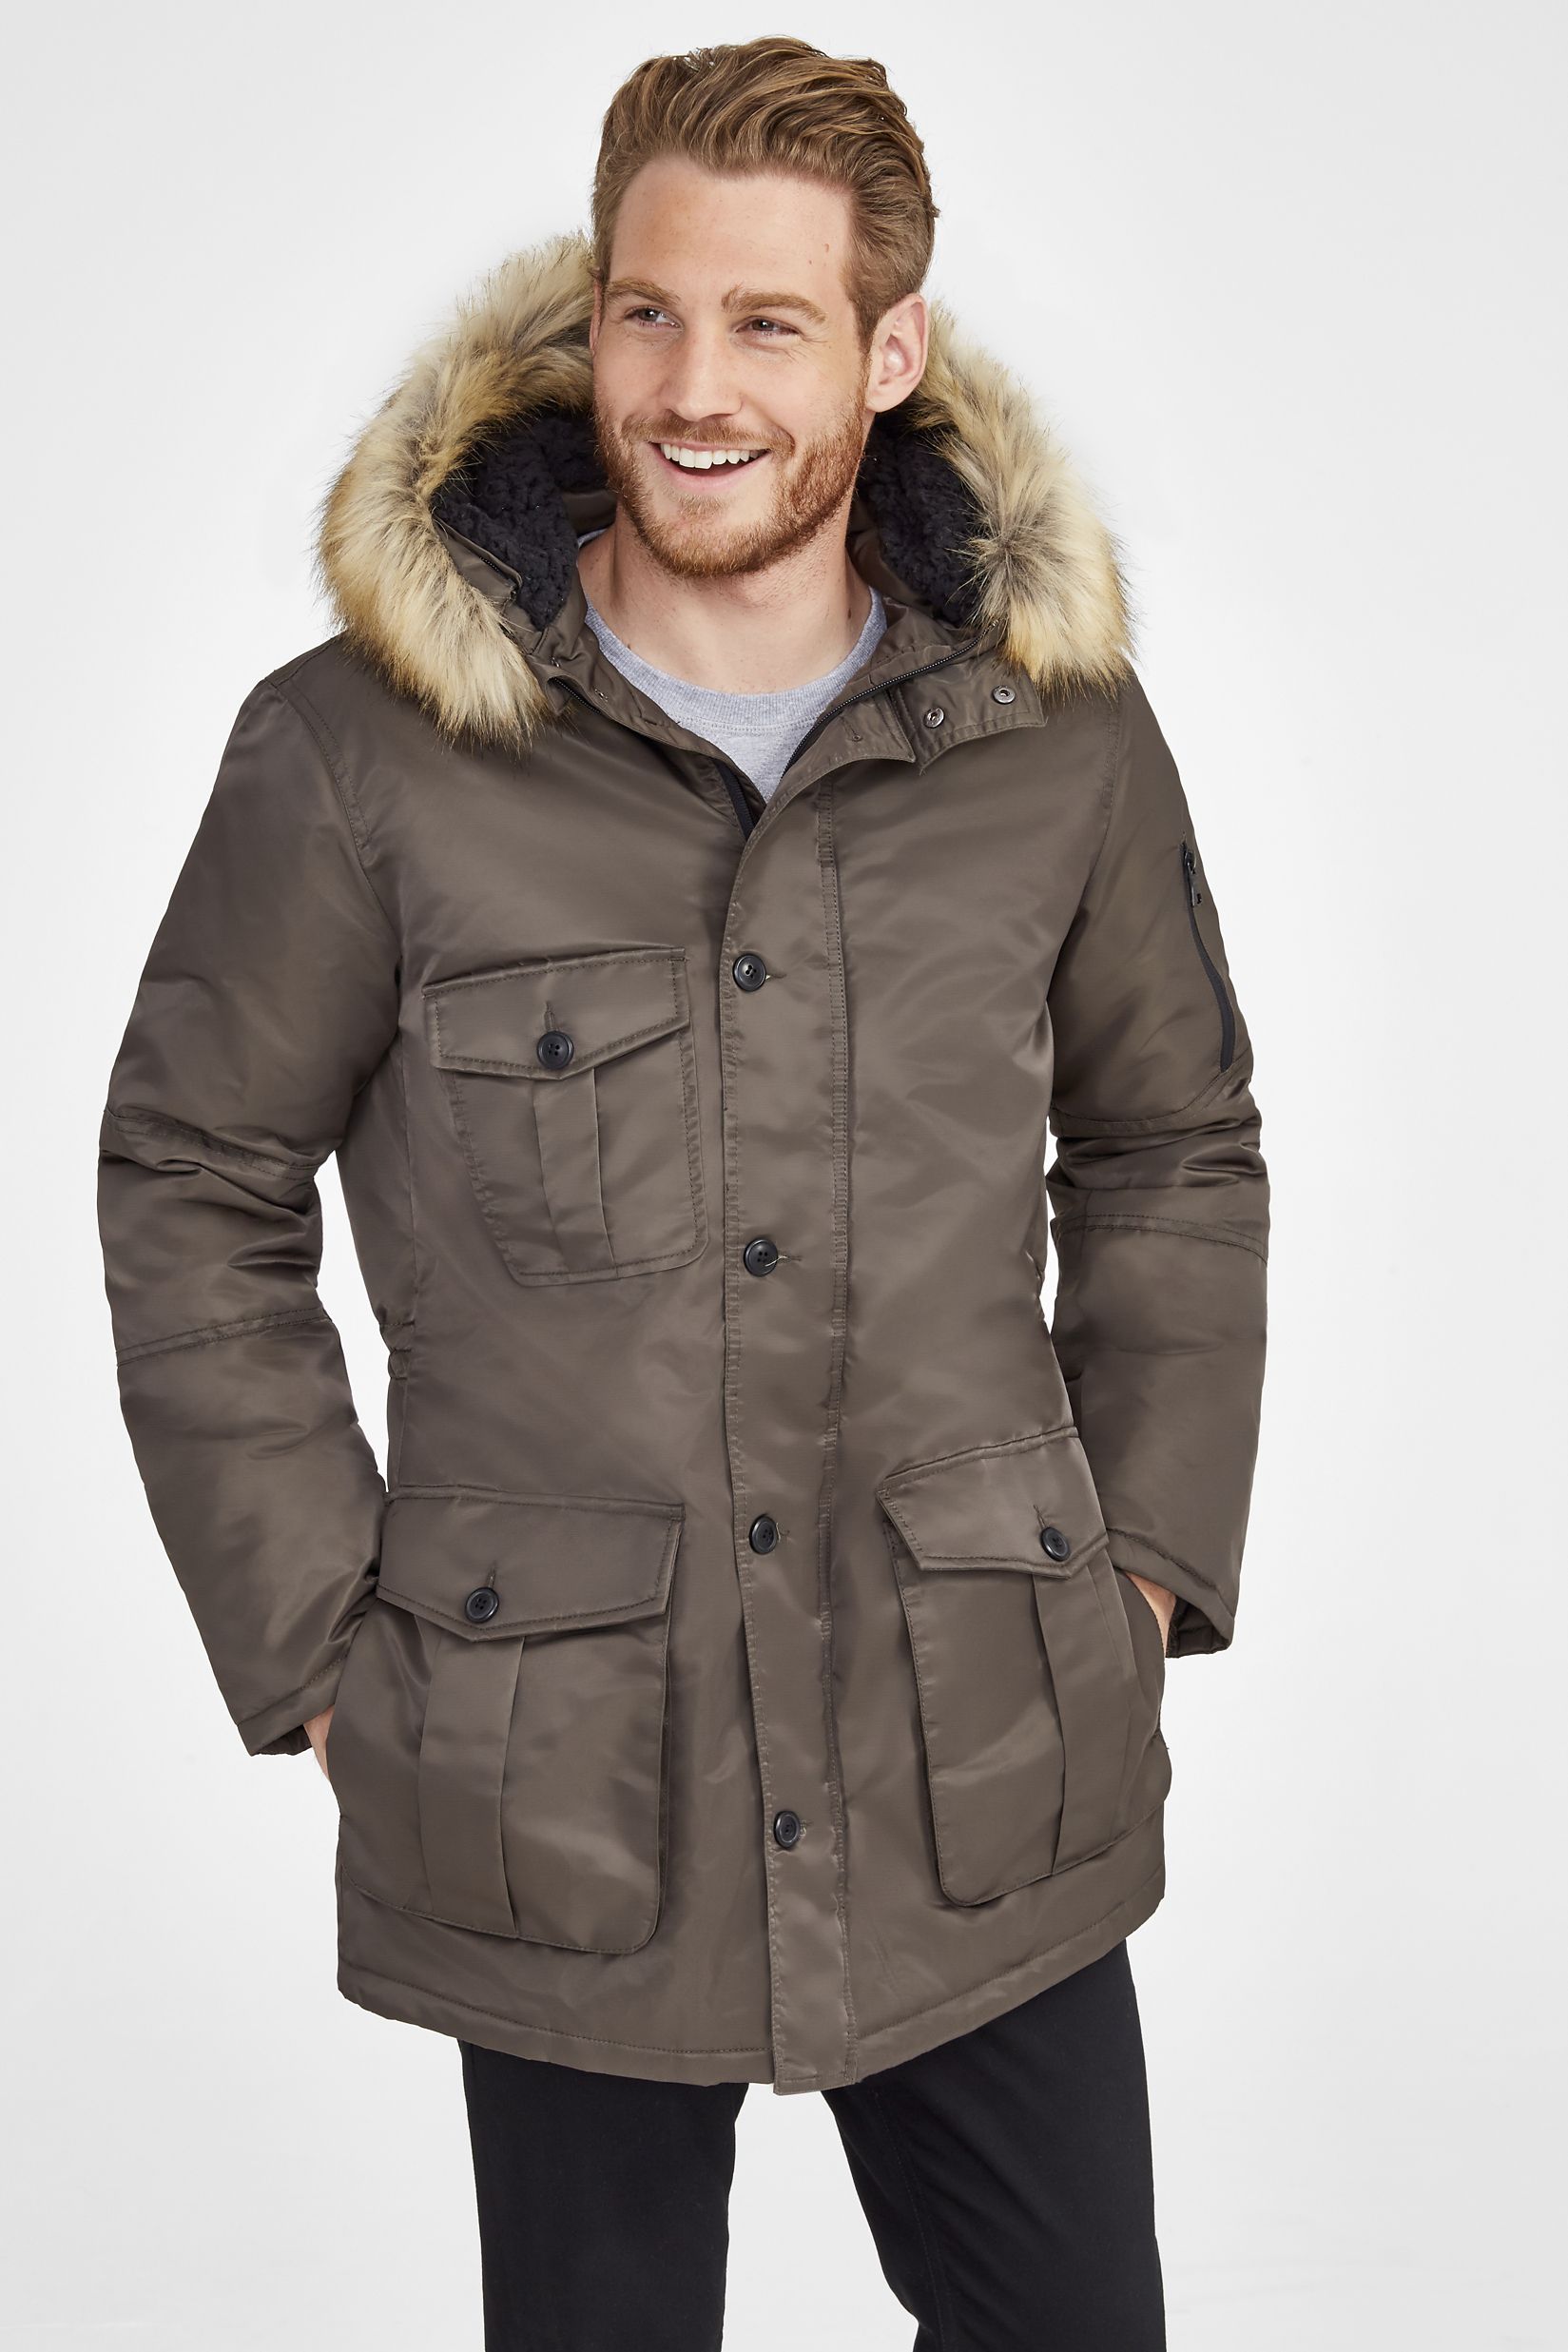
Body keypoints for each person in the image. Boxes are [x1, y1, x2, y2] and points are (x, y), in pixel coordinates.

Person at [96, 35, 1269, 2349]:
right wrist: (324, 1648)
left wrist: (1137, 1569)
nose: (693, 387)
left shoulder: (1059, 744)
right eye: (647, 311)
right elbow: (193, 1179)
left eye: (767, 323)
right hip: (559, 1777)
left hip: (980, 1745)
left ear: (890, 353)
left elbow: (1174, 1151)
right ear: (590, 313)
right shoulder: (360, 755)